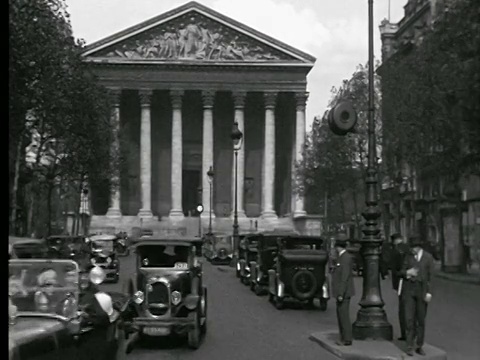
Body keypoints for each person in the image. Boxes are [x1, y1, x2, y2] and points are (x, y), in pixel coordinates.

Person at [401, 235, 435, 357]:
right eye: (411, 247)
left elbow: (431, 277)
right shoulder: (408, 257)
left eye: (414, 247)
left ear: (419, 247)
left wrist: (429, 292)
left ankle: (419, 345)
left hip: (422, 290)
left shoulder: (428, 258)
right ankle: (409, 346)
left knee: (420, 319)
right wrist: (407, 273)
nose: (412, 249)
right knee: (409, 319)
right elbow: (401, 271)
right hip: (409, 290)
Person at [331, 234, 355, 346]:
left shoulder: (345, 258)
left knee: (343, 316)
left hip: (344, 292)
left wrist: (340, 293)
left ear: (337, 247)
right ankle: (343, 337)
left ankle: (347, 338)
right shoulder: (342, 257)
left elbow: (344, 277)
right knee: (341, 315)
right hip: (342, 291)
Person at [390, 233, 410, 341]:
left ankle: (405, 334)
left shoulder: (396, 250)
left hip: (401, 282)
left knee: (402, 308)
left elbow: (395, 268)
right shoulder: (408, 248)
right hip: (410, 281)